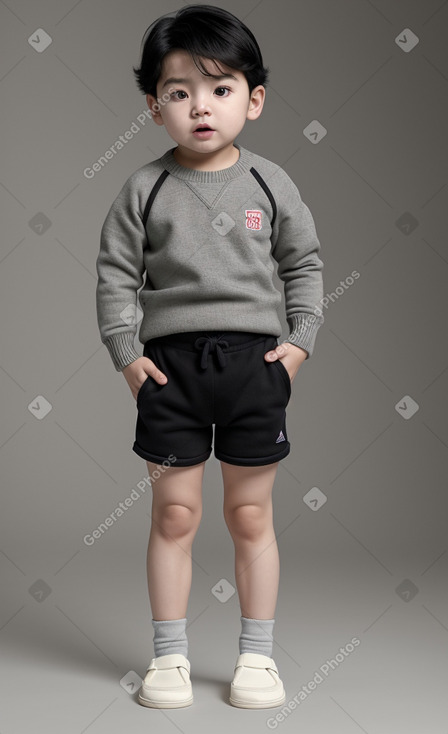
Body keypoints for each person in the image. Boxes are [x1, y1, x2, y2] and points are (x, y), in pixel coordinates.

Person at [96, 3, 324, 710]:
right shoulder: (144, 187)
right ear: (153, 105)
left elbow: (305, 265)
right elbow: (113, 277)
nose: (200, 106)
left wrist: (297, 345)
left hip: (255, 368)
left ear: (252, 100)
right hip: (171, 373)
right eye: (178, 91)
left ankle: (256, 658)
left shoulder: (270, 183)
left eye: (220, 87)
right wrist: (128, 355)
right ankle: (169, 659)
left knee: (251, 517)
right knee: (174, 516)